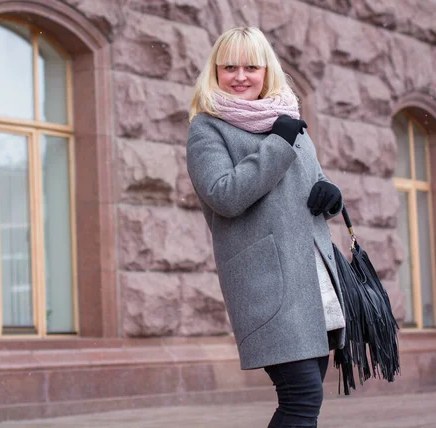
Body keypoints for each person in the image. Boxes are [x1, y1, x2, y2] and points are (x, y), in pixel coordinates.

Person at [186, 27, 347, 428]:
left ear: (266, 71)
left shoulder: (286, 119)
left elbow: (313, 182)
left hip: (313, 282)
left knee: (307, 398)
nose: (240, 76)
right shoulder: (207, 128)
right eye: (229, 67)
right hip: (267, 285)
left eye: (251, 67)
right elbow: (223, 195)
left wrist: (331, 195)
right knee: (300, 398)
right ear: (215, 72)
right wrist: (277, 144)